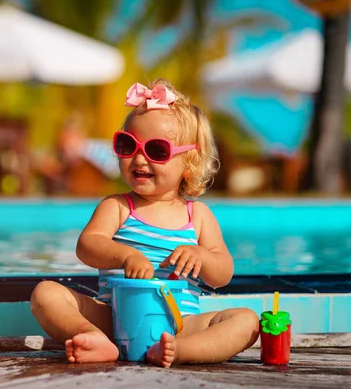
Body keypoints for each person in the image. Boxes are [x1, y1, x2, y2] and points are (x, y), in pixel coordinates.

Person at [30, 79, 259, 368]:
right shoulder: (117, 206)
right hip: (114, 317)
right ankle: (92, 336)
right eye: (128, 145)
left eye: (157, 150)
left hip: (179, 322)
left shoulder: (198, 216)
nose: (139, 158)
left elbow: (223, 273)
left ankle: (180, 349)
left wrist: (202, 256)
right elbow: (87, 246)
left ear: (189, 161)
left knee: (247, 321)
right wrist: (124, 254)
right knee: (45, 293)